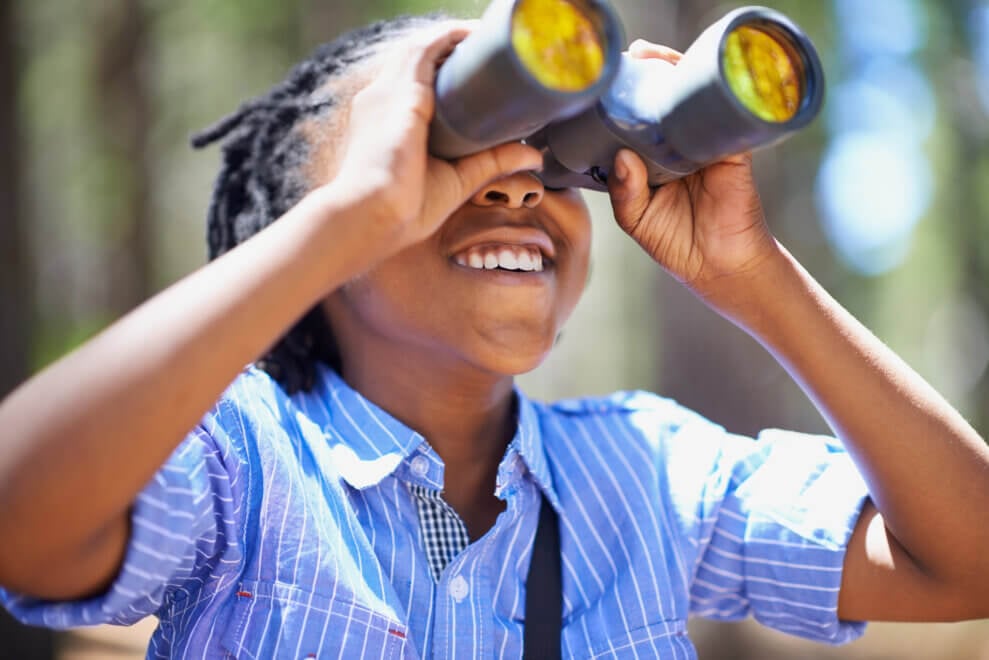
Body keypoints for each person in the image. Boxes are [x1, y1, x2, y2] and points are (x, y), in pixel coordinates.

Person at [1, 12, 987, 660]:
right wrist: (352, 219)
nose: (514, 183)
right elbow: (19, 520)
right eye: (443, 148)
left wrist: (752, 276)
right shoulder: (241, 467)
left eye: (557, 159)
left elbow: (967, 560)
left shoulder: (649, 475)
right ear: (315, 215)